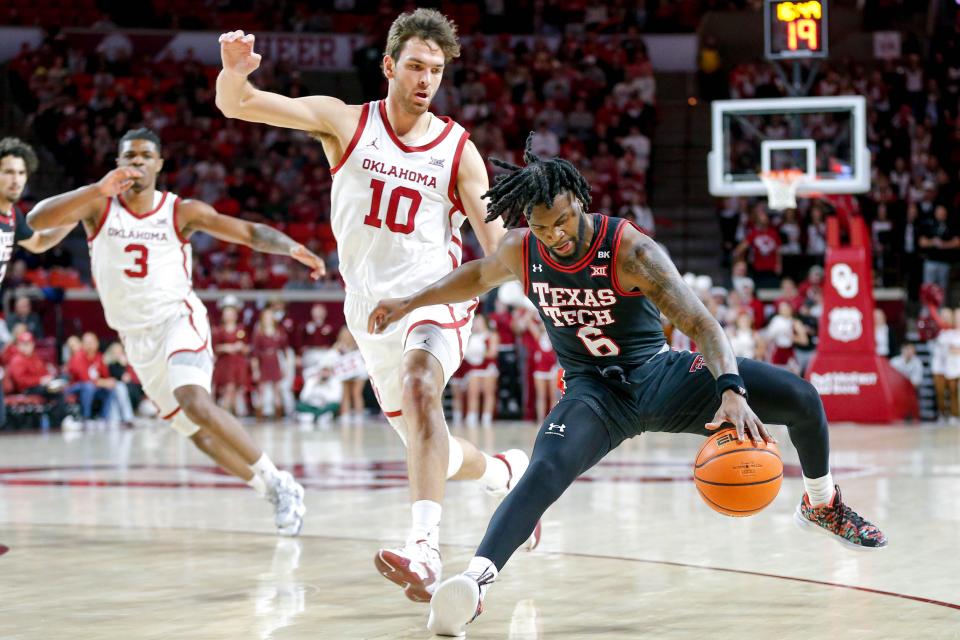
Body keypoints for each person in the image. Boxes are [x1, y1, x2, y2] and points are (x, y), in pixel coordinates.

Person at [368, 136, 887, 636]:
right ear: (530, 221)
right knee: (545, 469)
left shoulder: (631, 249)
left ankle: (821, 502)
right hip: (594, 395)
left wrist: (731, 389)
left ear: (581, 203)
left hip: (660, 377)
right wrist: (410, 302)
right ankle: (474, 584)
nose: (557, 236)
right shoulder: (520, 250)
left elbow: (703, 324)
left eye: (565, 221)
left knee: (802, 399)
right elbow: (474, 276)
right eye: (545, 227)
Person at [216, 9, 538, 598]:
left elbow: (495, 254)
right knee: (428, 447)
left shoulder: (457, 150)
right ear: (389, 66)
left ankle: (424, 551)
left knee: (421, 386)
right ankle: (505, 473)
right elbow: (239, 105)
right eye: (415, 66)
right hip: (368, 311)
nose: (425, 80)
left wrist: (536, 245)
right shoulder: (344, 123)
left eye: (435, 71)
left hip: (434, 299)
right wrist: (234, 73)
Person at [26, 128, 324, 536]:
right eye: (130, 155)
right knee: (196, 434)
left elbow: (249, 233)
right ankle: (271, 487)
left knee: (193, 399)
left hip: (177, 319)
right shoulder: (98, 206)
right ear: (118, 163)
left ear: (159, 163)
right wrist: (96, 188)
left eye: (146, 155)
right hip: (135, 336)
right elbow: (36, 221)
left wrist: (291, 247)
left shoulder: (180, 211)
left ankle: (277, 477)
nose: (138, 162)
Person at [0, 137, 78, 427]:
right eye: (7, 171)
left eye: (20, 173)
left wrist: (72, 220)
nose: (15, 179)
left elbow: (40, 243)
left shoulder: (12, 216)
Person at [212, 296, 250, 417]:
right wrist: (227, 347)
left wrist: (241, 347)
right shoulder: (218, 330)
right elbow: (214, 348)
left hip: (238, 363)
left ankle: (232, 415)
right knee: (229, 388)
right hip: (225, 363)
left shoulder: (241, 329)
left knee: (235, 390)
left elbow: (247, 348)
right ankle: (223, 415)